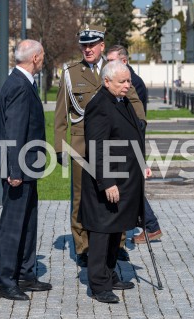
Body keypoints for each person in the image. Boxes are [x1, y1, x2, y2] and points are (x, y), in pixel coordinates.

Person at [54, 25, 146, 267]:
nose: (87, 49)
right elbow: (62, 114)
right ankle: (83, 247)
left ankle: (118, 244)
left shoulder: (115, 70)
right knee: (81, 198)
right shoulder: (71, 73)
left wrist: (137, 128)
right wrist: (60, 147)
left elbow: (134, 102)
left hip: (115, 146)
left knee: (119, 195)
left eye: (92, 45)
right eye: (83, 45)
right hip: (81, 146)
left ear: (102, 46)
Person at [79, 60, 149, 303]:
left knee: (115, 230)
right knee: (101, 232)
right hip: (108, 182)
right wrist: (107, 181)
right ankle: (98, 285)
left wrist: (142, 163)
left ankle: (109, 275)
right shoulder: (99, 105)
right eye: (122, 82)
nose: (128, 85)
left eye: (129, 80)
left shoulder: (122, 100)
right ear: (107, 81)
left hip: (126, 178)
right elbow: (96, 148)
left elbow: (134, 136)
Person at [0, 39, 51, 301]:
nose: (43, 59)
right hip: (20, 169)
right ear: (36, 58)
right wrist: (15, 170)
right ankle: (6, 280)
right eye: (43, 56)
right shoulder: (19, 85)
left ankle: (26, 274)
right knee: (13, 225)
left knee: (28, 222)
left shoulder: (21, 82)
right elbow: (15, 131)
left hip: (28, 168)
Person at [106, 45, 163, 243]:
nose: (108, 64)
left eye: (111, 60)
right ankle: (148, 225)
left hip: (130, 144)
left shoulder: (133, 83)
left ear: (123, 61)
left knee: (129, 187)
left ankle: (151, 225)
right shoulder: (127, 79)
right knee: (127, 185)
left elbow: (136, 117)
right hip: (126, 143)